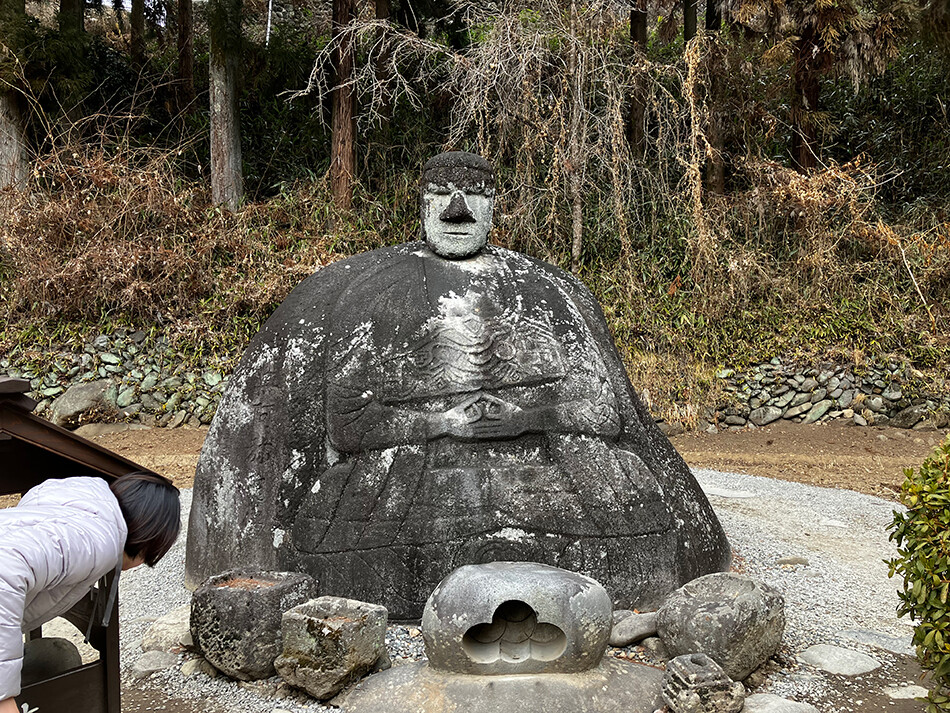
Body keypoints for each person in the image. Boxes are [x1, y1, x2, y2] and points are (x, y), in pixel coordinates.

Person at [186, 151, 731, 619]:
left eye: (473, 194)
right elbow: (347, 424)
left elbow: (603, 408)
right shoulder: (373, 293)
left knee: (631, 497)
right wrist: (442, 422)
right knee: (338, 521)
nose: (456, 210)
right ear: (420, 203)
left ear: (494, 205)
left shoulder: (544, 292)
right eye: (441, 194)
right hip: (414, 479)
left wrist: (525, 418)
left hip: (540, 472)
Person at [0, 472, 180, 712]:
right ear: (150, 538)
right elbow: (7, 568)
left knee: (57, 657)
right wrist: (4, 698)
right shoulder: (99, 540)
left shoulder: (73, 512)